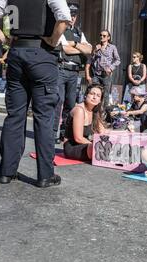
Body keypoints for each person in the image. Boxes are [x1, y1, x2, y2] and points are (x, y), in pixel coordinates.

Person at [0, 0, 72, 188]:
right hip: (41, 54)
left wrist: (5, 39)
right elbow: (64, 17)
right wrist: (53, 40)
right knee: (44, 117)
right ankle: (45, 175)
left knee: (15, 116)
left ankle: (6, 172)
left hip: (16, 54)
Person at [54, 3, 92, 144]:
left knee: (70, 104)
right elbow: (65, 50)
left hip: (74, 72)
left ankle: (65, 134)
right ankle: (53, 134)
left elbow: (89, 49)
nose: (72, 18)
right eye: (70, 14)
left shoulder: (79, 32)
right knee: (58, 102)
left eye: (74, 15)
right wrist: (80, 48)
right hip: (62, 70)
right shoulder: (60, 29)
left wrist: (75, 44)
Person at [63, 85, 107, 161]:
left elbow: (102, 132)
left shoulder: (95, 111)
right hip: (72, 146)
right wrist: (95, 145)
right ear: (86, 95)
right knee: (97, 149)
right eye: (92, 94)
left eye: (98, 96)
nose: (94, 97)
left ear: (100, 100)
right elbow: (78, 138)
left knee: (108, 146)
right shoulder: (79, 110)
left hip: (86, 144)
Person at [88, 30, 121, 109]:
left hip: (105, 75)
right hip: (96, 74)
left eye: (104, 36)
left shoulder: (112, 47)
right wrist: (94, 51)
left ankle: (104, 114)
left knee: (105, 95)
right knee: (94, 93)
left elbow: (118, 60)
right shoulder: (97, 46)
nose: (102, 37)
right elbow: (91, 60)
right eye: (101, 35)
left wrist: (111, 68)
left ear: (108, 37)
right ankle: (94, 111)